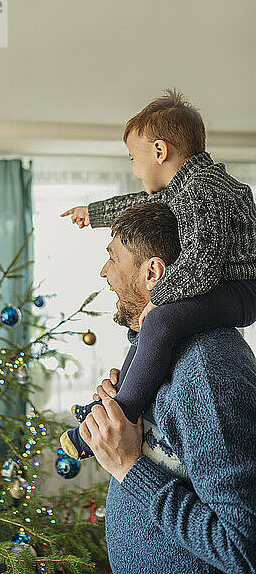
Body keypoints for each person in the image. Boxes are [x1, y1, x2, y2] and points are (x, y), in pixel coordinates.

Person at [59, 89, 256, 460]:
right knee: (148, 325)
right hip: (222, 284)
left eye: (133, 158)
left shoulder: (204, 190)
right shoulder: (184, 187)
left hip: (241, 289)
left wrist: (159, 298)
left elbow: (203, 262)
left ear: (160, 152)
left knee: (161, 320)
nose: (133, 167)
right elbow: (138, 203)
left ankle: (123, 413)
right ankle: (112, 404)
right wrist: (95, 213)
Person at [80, 202, 256, 573]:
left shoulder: (207, 370)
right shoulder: (162, 353)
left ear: (152, 272)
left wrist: (130, 467)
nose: (103, 271)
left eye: (112, 257)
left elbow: (243, 547)